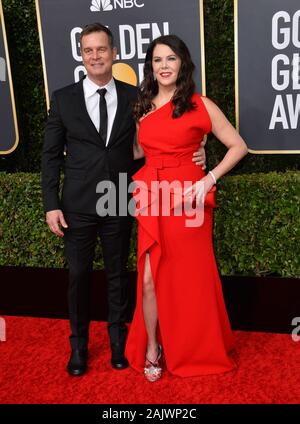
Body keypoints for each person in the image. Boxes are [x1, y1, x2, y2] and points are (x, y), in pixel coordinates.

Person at [41, 24, 206, 377]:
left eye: (102, 49)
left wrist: (200, 149)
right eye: (89, 50)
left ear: (114, 53)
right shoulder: (63, 98)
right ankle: (79, 348)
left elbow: (162, 138)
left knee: (118, 275)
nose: (96, 56)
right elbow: (50, 156)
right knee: (79, 275)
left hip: (120, 197)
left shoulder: (137, 98)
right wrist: (50, 203)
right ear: (82, 55)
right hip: (78, 204)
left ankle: (119, 345)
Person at [125, 34, 248, 381]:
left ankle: (196, 347)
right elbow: (141, 151)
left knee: (190, 279)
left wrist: (207, 179)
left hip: (188, 198)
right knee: (149, 279)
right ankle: (153, 346)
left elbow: (239, 146)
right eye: (157, 60)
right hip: (151, 193)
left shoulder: (200, 104)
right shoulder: (143, 105)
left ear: (183, 64)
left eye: (171, 59)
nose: (164, 66)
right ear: (150, 67)